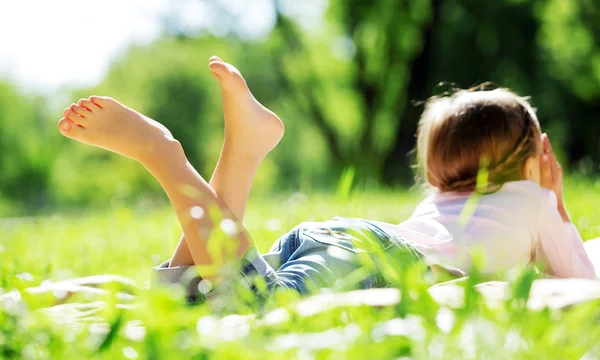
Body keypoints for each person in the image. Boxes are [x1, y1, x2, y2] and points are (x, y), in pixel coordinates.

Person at [56, 57, 598, 301]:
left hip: (346, 239)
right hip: (380, 259)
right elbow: (580, 280)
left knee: (199, 296)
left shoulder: (442, 201)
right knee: (253, 303)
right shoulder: (535, 199)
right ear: (533, 159)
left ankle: (241, 156)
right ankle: (164, 153)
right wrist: (558, 206)